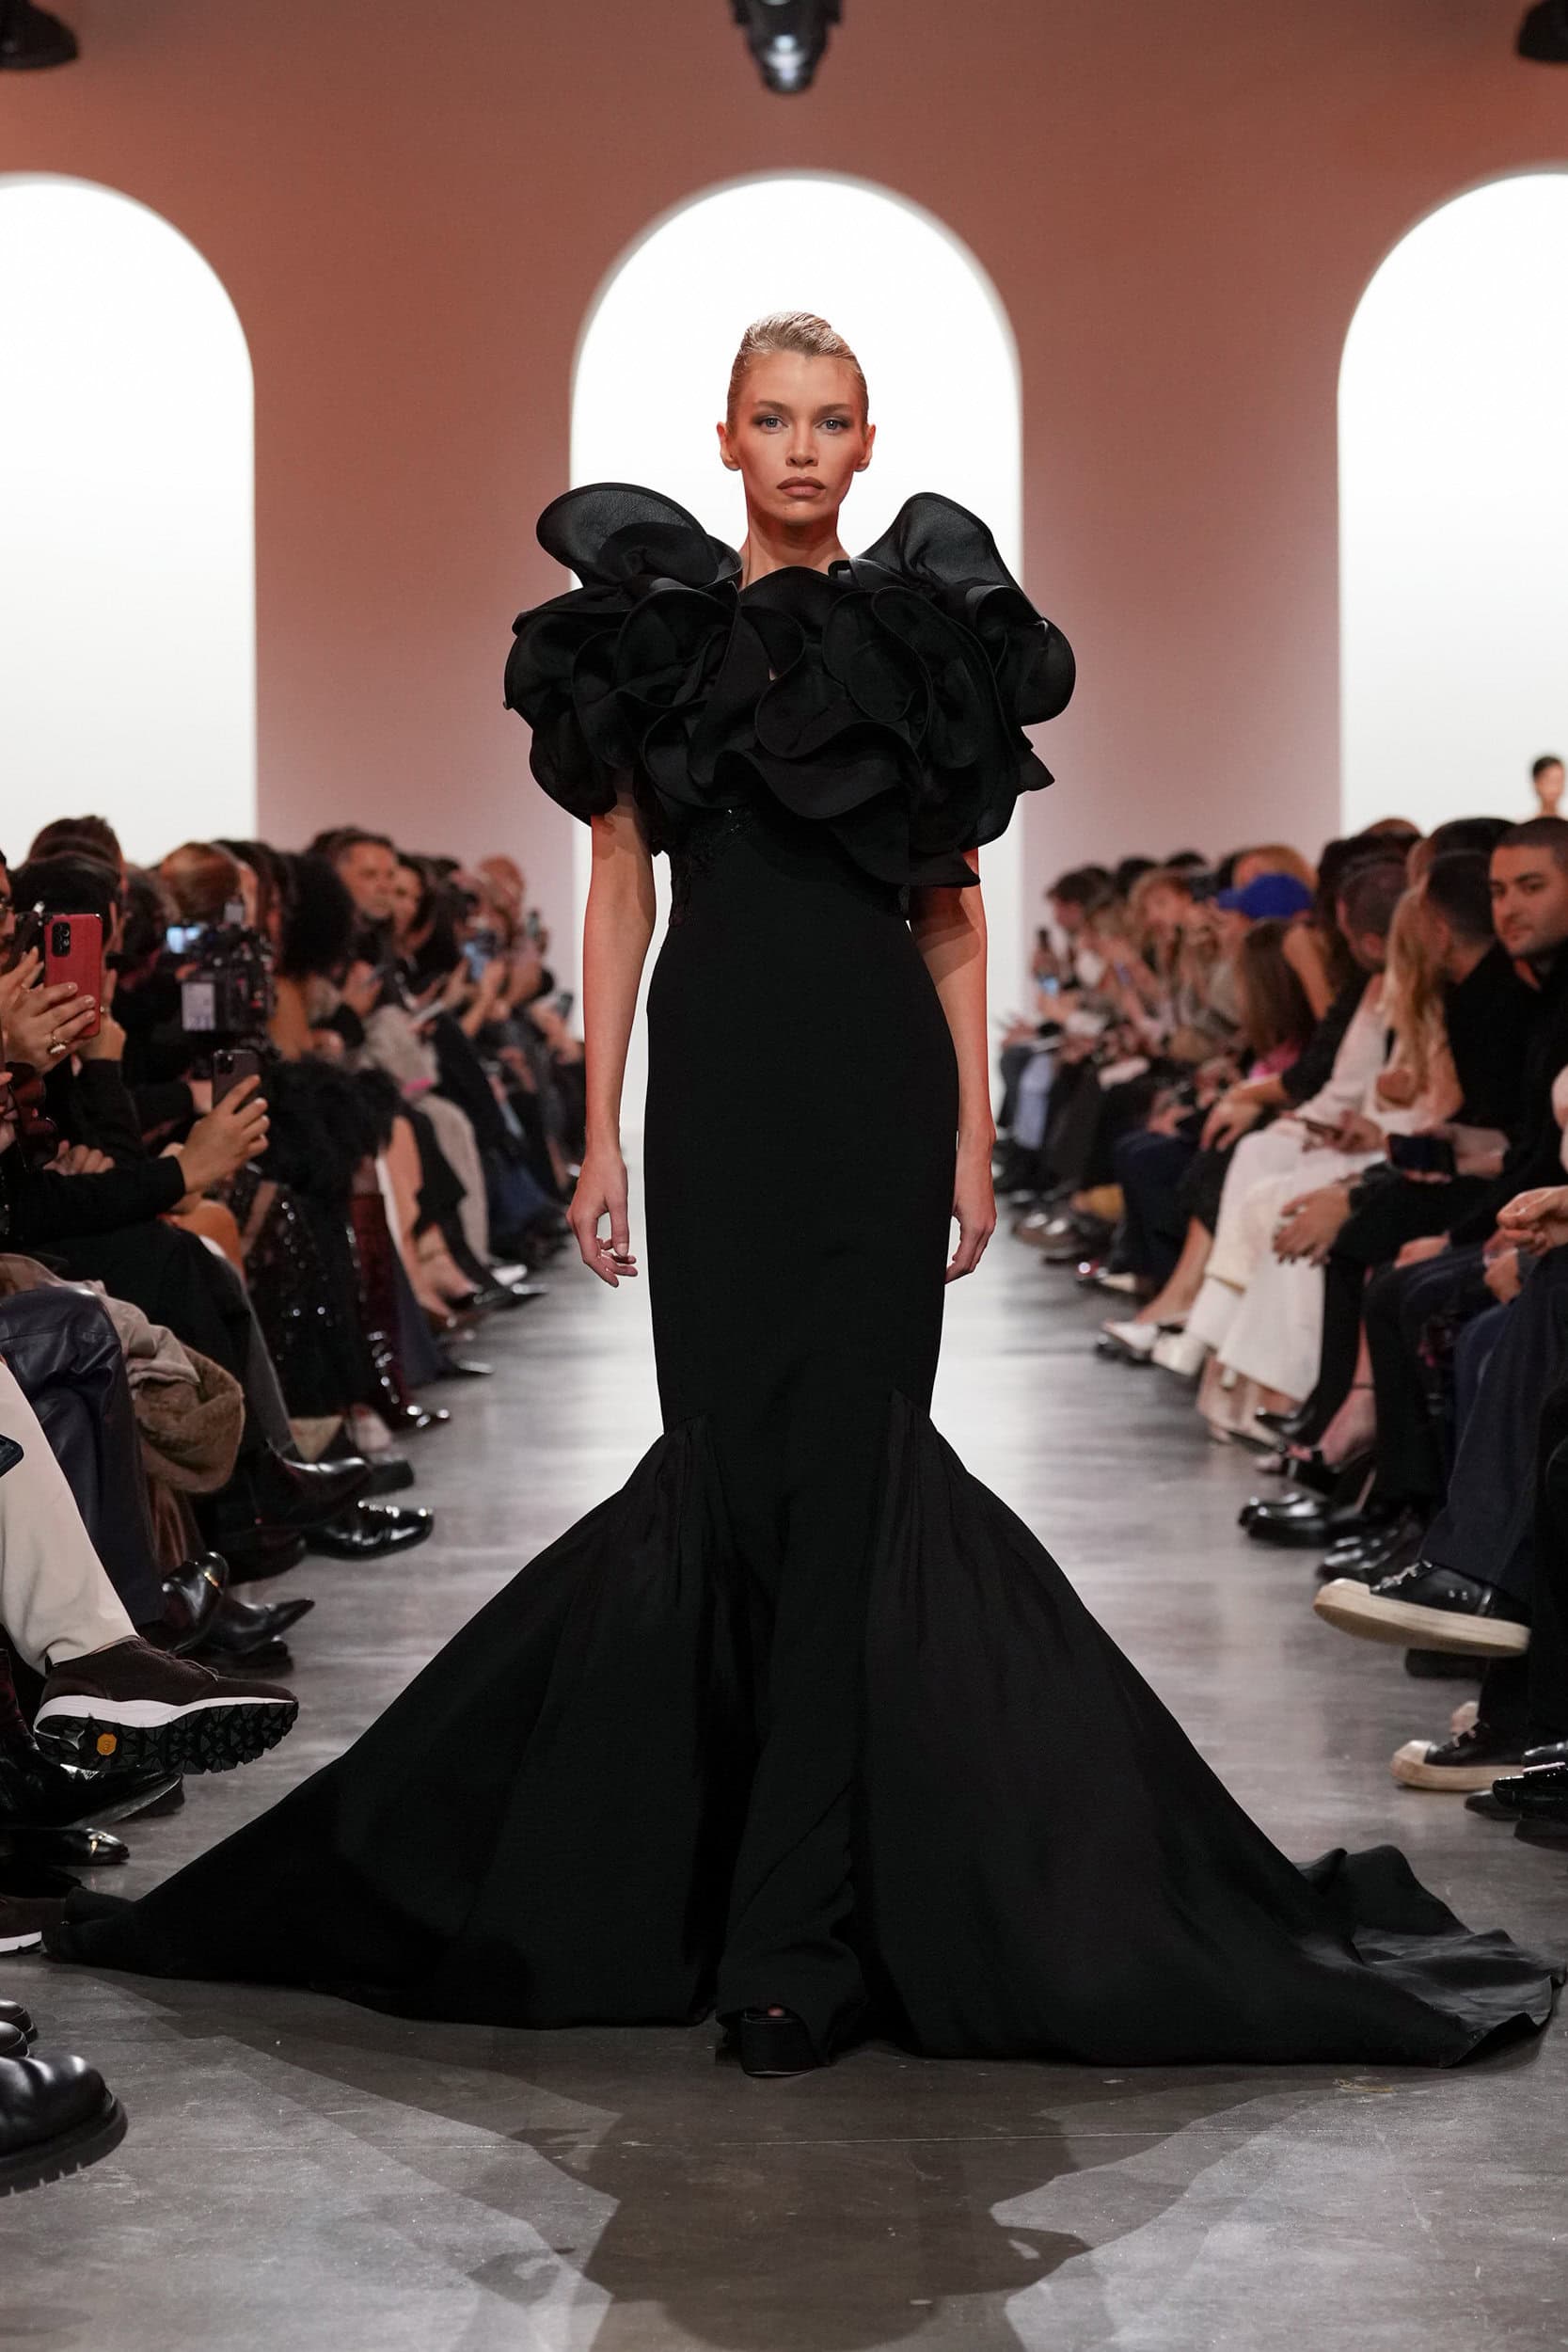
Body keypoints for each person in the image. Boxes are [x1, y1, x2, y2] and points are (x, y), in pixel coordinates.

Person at [48, 311, 1559, 2074]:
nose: (798, 448)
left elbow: (950, 911)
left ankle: (801, 1932)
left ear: (863, 443)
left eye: (828, 422)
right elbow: (618, 890)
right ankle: (723, 1877)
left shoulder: (923, 643)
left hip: (868, 1086)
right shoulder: (647, 642)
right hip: (713, 1088)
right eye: (770, 419)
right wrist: (599, 1130)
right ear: (724, 438)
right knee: (728, 1468)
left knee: (850, 1478)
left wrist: (972, 1136)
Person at [1531, 754, 1564, 818]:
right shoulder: (1524, 824)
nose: (1555, 788)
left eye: (1559, 781)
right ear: (1536, 783)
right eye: (1550, 781)